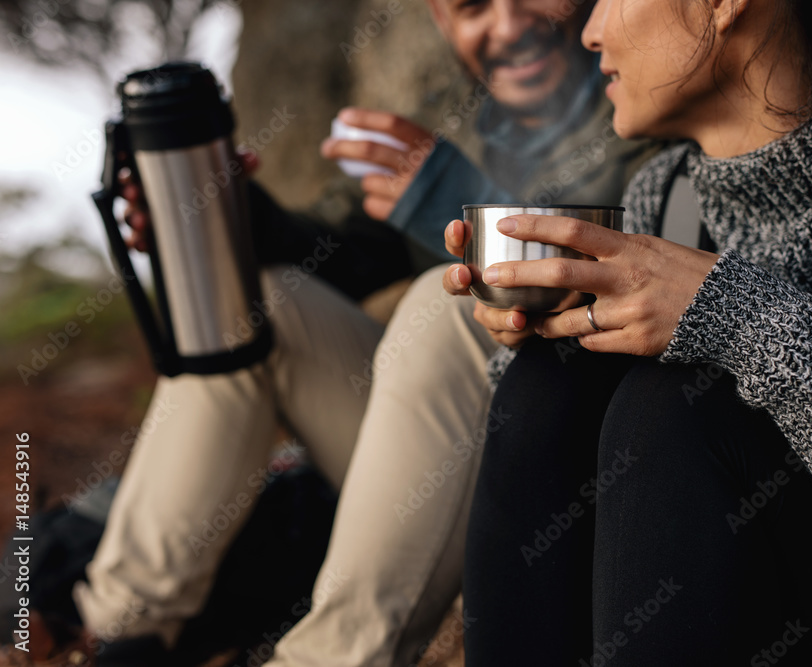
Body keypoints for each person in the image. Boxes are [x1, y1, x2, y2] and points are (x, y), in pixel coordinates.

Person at [62, 0, 658, 666]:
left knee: (445, 301)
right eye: (473, 7)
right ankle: (116, 636)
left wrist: (457, 199)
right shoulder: (457, 121)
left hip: (578, 482)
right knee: (258, 299)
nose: (510, 23)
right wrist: (231, 216)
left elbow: (648, 272)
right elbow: (343, 249)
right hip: (435, 471)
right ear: (440, 22)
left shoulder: (643, 96)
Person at [442, 0, 812, 663]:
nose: (588, 31)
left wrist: (743, 318)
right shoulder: (666, 197)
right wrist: (549, 332)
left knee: (675, 408)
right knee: (549, 386)